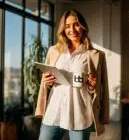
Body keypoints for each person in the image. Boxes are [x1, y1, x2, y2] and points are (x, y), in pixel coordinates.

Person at [35, 9, 109, 140]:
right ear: (63, 29)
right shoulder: (54, 51)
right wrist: (47, 82)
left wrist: (92, 87)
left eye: (76, 24)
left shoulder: (95, 55)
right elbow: (47, 83)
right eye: (67, 26)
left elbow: (101, 89)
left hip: (79, 114)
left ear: (83, 26)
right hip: (54, 111)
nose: (72, 30)